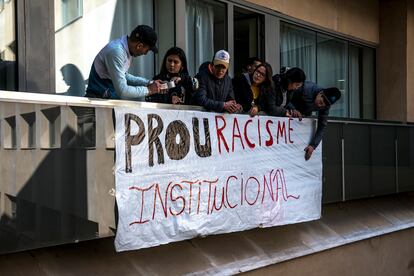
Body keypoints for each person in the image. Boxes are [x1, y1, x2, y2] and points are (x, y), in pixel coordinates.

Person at [85, 25, 163, 100]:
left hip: (106, 100)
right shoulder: (116, 51)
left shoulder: (127, 50)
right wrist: (149, 90)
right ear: (139, 46)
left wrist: (149, 83)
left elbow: (124, 76)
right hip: (96, 102)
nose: (145, 53)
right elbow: (122, 90)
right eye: (147, 50)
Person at [290, 82, 341, 160]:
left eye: (323, 105)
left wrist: (313, 146)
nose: (320, 105)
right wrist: (292, 108)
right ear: (321, 93)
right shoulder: (306, 88)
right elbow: (286, 97)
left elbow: (322, 126)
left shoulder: (325, 107)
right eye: (320, 102)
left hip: (299, 117)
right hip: (287, 110)